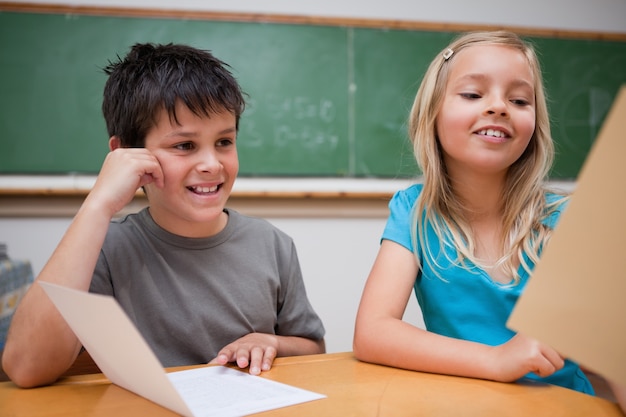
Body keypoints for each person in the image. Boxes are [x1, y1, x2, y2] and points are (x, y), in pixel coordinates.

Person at [2, 43, 325, 388]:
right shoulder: (105, 247)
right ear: (125, 153)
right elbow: (26, 368)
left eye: (224, 142)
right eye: (184, 146)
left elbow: (313, 348)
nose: (212, 164)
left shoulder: (272, 244)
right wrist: (98, 204)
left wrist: (272, 342)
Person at [354, 30, 599, 395]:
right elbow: (372, 332)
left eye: (519, 100)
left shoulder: (567, 220)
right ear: (432, 114)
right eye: (472, 94)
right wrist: (497, 360)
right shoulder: (413, 212)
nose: (498, 107)